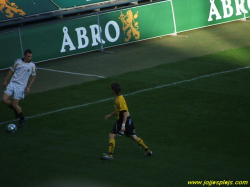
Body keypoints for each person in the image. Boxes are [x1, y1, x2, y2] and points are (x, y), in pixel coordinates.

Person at [101, 82, 152, 160]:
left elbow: (124, 112)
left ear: (113, 90)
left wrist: (123, 125)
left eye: (111, 89)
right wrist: (110, 115)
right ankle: (148, 150)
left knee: (111, 135)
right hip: (127, 120)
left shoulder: (120, 99)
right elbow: (118, 110)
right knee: (134, 137)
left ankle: (110, 155)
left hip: (122, 120)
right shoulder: (118, 98)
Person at [2, 49, 36, 128]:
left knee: (15, 103)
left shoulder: (32, 65)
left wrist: (29, 86)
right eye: (27, 56)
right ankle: (16, 110)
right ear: (24, 55)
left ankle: (22, 118)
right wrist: (6, 80)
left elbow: (33, 76)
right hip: (12, 83)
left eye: (30, 56)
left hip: (21, 86)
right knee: (4, 99)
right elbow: (11, 70)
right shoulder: (18, 62)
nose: (29, 58)